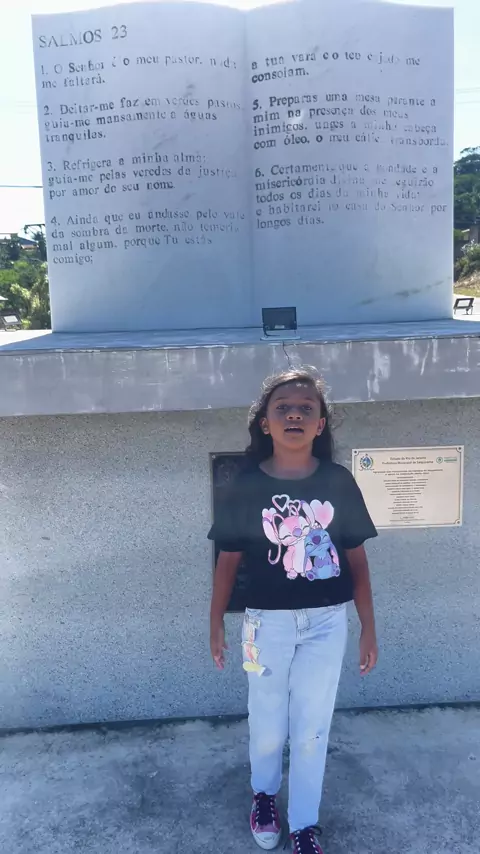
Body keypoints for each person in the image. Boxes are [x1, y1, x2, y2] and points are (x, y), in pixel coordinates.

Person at [208, 368, 378, 854]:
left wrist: (368, 627)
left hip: (326, 623)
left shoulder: (338, 482)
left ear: (321, 424)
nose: (295, 415)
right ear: (265, 422)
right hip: (265, 625)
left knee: (312, 728)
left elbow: (357, 560)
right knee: (267, 721)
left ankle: (304, 823)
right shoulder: (245, 485)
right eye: (283, 407)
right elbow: (228, 559)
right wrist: (215, 621)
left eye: (306, 407)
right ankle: (264, 796)